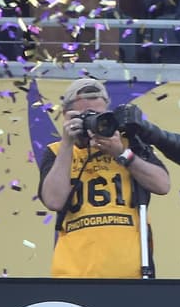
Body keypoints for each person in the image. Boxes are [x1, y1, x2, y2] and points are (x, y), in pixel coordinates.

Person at [37, 77, 171, 279]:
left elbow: (162, 184)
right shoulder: (57, 152)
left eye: (98, 115)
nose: (92, 122)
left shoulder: (127, 143)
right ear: (66, 116)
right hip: (73, 276)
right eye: (84, 116)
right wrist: (67, 144)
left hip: (132, 275)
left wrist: (122, 154)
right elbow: (54, 200)